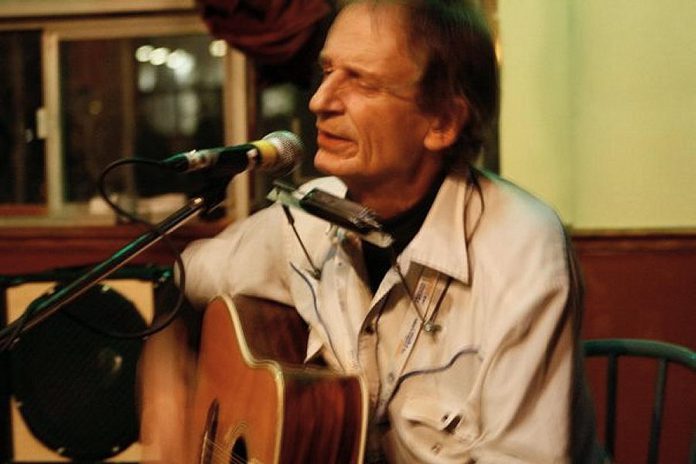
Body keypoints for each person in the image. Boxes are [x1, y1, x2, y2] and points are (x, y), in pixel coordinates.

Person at [179, 0, 601, 462]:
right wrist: (166, 414)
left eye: (361, 81)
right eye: (327, 71)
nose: (319, 101)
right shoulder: (307, 217)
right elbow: (181, 279)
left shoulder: (521, 250)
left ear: (442, 121)